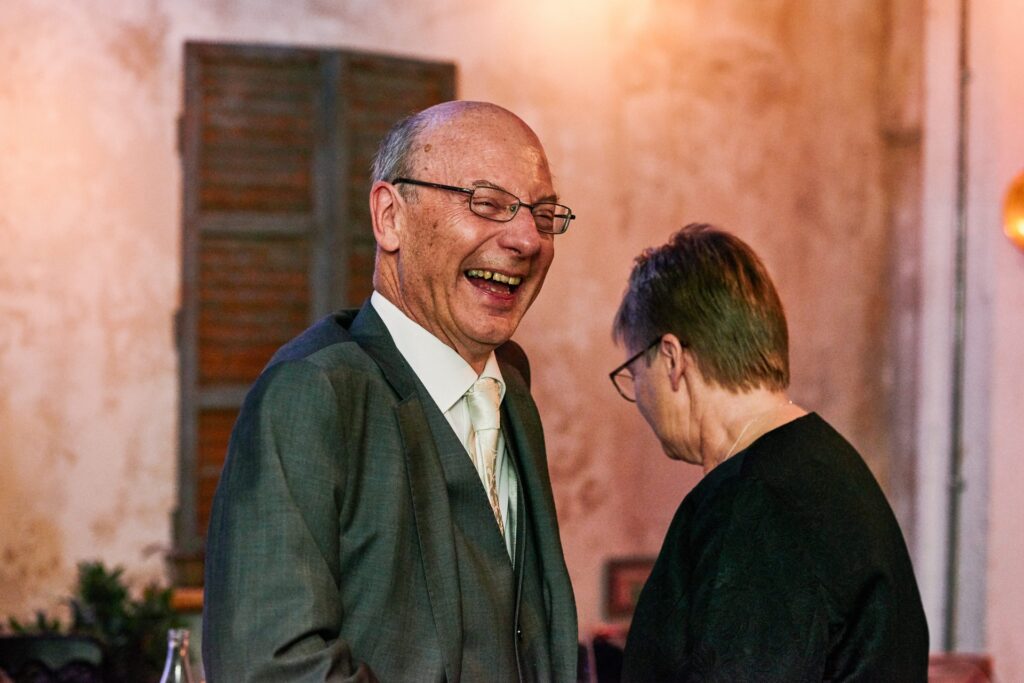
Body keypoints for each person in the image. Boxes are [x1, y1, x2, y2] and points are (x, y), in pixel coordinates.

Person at [202, 101, 578, 682]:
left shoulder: (513, 388)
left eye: (544, 214)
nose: (528, 239)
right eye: (488, 203)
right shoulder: (314, 394)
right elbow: (272, 668)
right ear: (390, 217)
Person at [609, 224, 929, 681]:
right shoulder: (824, 464)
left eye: (634, 371)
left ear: (673, 359)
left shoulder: (756, 506)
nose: (637, 394)